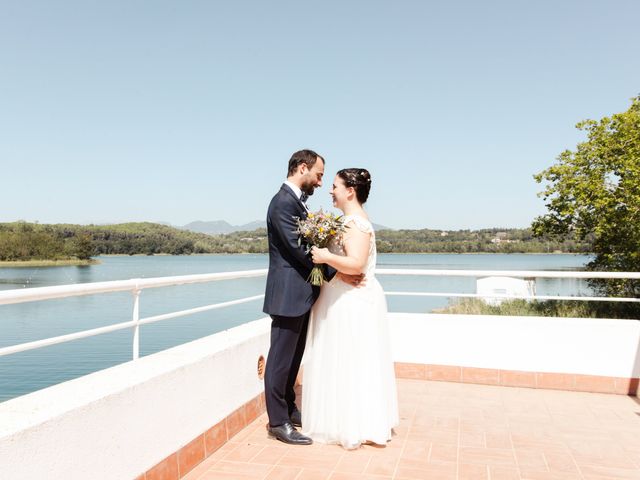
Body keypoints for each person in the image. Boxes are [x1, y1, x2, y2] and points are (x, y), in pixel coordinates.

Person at [263, 150, 363, 445]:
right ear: (302, 168)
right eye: (319, 175)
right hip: (287, 294)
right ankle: (277, 421)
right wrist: (338, 271)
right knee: (280, 360)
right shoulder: (282, 203)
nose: (320, 182)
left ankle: (289, 408)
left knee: (293, 358)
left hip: (302, 294)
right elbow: (298, 249)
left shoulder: (296, 203)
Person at [303, 168, 399, 449]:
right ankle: (346, 419)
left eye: (334, 186)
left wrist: (323, 255)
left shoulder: (355, 223)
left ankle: (353, 424)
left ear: (350, 191)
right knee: (348, 360)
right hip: (344, 295)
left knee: (351, 360)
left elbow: (356, 264)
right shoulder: (349, 221)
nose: (330, 191)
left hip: (352, 301)